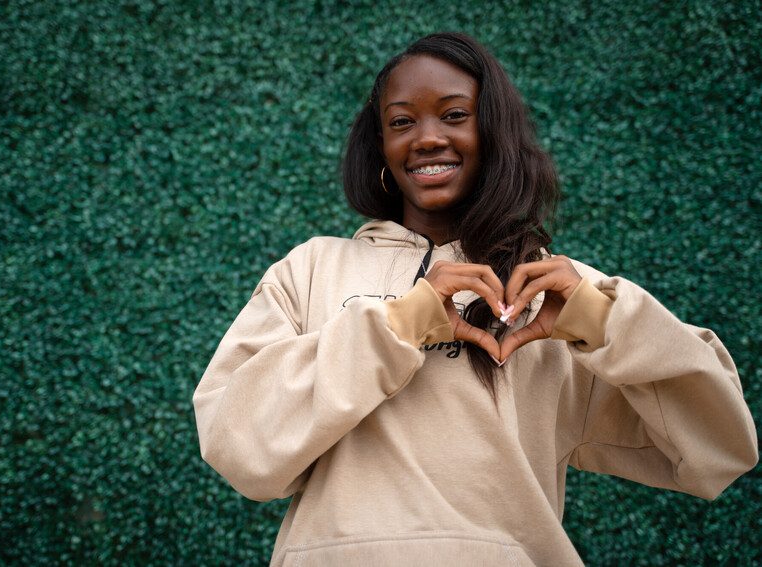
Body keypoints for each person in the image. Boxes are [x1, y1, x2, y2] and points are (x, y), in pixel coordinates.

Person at [192, 32, 758, 566]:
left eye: (455, 114)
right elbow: (239, 448)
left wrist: (603, 321)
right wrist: (401, 323)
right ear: (381, 146)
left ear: (495, 132)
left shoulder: (554, 291)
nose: (427, 137)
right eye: (401, 122)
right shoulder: (310, 268)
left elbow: (720, 447)